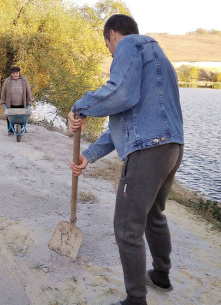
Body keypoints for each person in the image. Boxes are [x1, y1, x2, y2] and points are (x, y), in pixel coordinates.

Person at [68, 14, 184, 305]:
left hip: (148, 152)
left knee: (126, 227)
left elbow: (120, 93)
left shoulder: (130, 45)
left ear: (112, 35)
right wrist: (89, 155)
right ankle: (160, 274)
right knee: (153, 216)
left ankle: (135, 299)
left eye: (107, 44)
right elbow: (124, 120)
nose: (110, 51)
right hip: (170, 149)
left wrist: (80, 108)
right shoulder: (159, 58)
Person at [0, 66, 33, 135]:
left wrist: (29, 101)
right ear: (11, 73)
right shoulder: (7, 81)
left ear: (19, 73)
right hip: (10, 103)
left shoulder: (24, 80)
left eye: (16, 73)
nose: (15, 75)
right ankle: (11, 130)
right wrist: (2, 100)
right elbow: (3, 91)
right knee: (10, 117)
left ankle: (20, 128)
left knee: (22, 118)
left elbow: (28, 91)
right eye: (14, 73)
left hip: (22, 103)